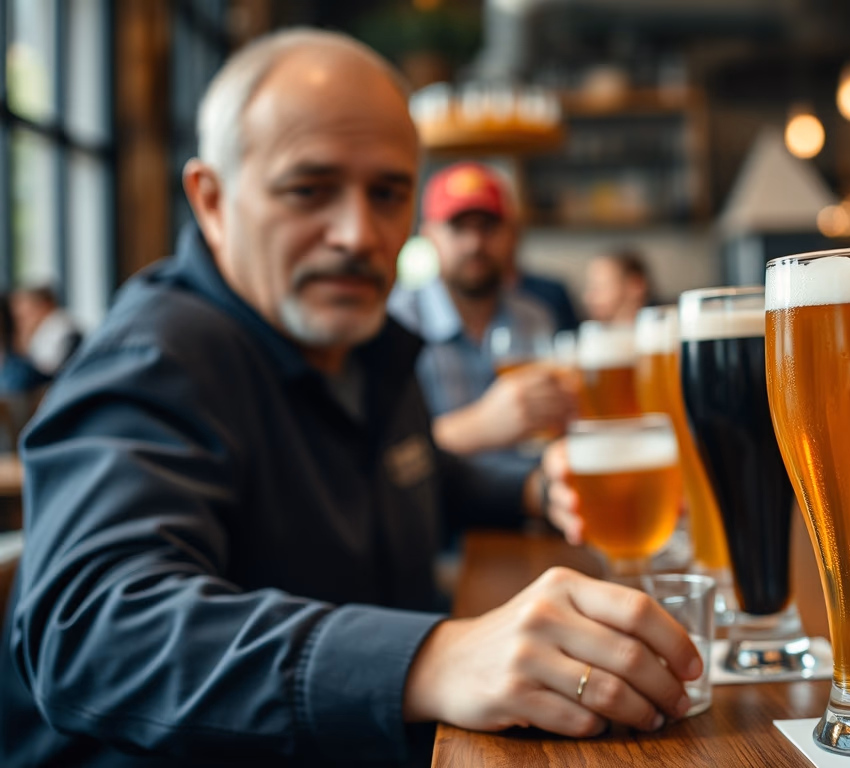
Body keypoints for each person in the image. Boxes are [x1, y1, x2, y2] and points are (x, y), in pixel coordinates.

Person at [0, 29, 700, 767]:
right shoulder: (160, 354)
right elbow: (89, 631)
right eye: (309, 190)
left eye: (389, 193)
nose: (358, 234)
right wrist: (434, 659)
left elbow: (416, 473)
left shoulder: (359, 341)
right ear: (211, 200)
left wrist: (531, 486)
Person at [389, 163, 576, 463]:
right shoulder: (397, 322)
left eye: (488, 227)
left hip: (538, 494)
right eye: (458, 228)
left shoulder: (535, 316)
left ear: (513, 236)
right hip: (444, 506)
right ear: (429, 236)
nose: (475, 243)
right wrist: (482, 426)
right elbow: (389, 452)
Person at [10, 285, 82, 376]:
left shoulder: (63, 333)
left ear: (45, 306)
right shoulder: (44, 334)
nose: (21, 324)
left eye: (24, 316)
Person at [582, 248, 651, 324]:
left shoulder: (660, 332)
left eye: (603, 286)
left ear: (635, 285)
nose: (590, 297)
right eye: (591, 288)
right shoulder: (587, 332)